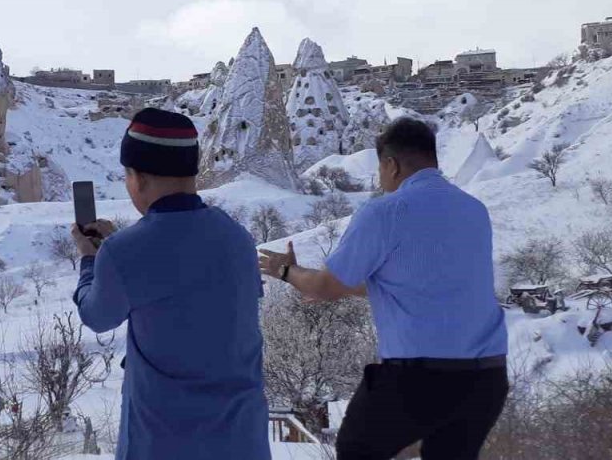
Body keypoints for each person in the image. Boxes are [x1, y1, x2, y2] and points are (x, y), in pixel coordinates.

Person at [259, 117, 509, 460]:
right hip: (486, 379)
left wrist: (285, 270)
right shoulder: (473, 209)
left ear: (390, 164)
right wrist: (341, 287)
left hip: (419, 379)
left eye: (380, 168)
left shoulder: (385, 211)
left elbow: (326, 286)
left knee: (355, 449)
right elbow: (409, 283)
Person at [71, 108, 270, 460]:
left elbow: (96, 315)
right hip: (242, 441)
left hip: (163, 442)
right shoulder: (237, 236)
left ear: (138, 178)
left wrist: (91, 260)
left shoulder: (123, 253)